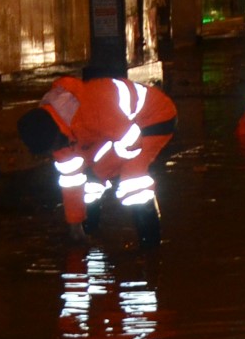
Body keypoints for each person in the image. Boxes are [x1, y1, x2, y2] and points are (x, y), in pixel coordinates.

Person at [18, 74, 177, 241]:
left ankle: (150, 239)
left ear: (56, 135)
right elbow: (72, 181)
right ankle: (88, 229)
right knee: (92, 180)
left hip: (154, 117)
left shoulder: (93, 107)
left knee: (133, 179)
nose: (55, 152)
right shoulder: (57, 136)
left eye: (53, 148)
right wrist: (75, 224)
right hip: (116, 133)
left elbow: (132, 144)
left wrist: (105, 171)